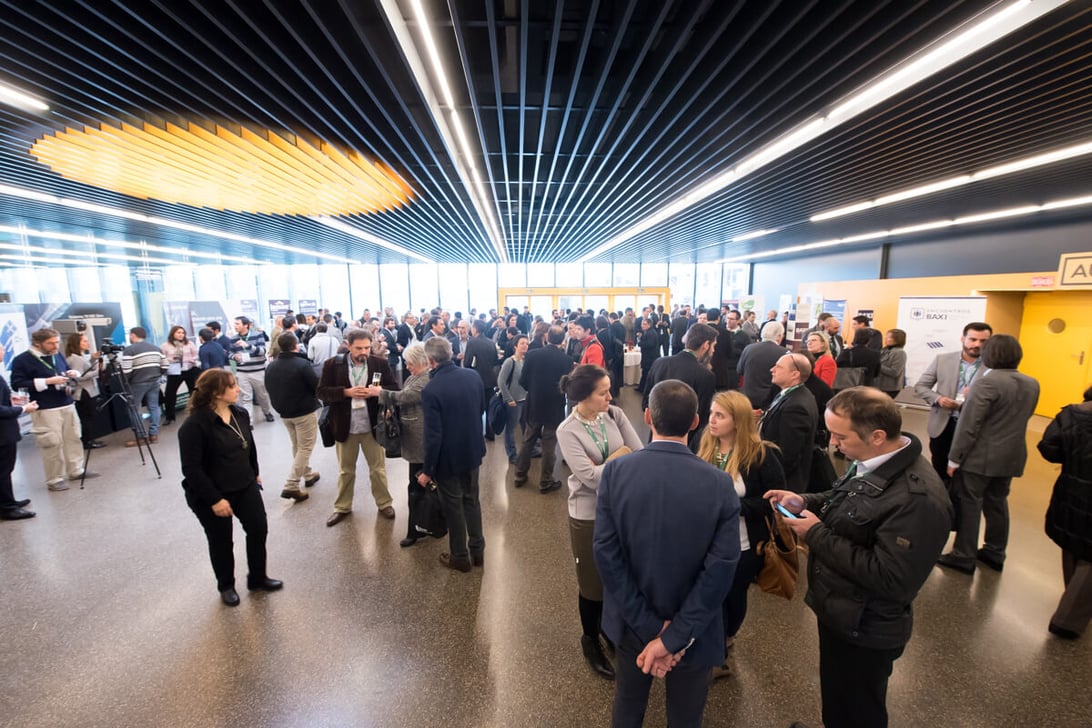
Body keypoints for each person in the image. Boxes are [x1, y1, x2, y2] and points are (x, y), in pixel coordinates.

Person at [765, 387, 951, 728]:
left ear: (877, 435)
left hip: (866, 625)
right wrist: (804, 501)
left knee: (859, 708)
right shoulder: (871, 461)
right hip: (842, 609)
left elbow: (892, 578)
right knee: (838, 697)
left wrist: (816, 533)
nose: (834, 444)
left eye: (840, 436)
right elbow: (843, 498)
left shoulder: (917, 500)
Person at [593, 379, 740, 727]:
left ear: (647, 416)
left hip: (632, 623)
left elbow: (606, 554)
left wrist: (651, 628)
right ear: (695, 422)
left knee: (628, 706)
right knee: (686, 715)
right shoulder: (720, 483)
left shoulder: (616, 472)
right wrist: (673, 637)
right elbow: (721, 569)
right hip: (695, 628)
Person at [556, 365, 643, 680]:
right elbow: (590, 480)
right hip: (588, 514)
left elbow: (640, 453)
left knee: (618, 575)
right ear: (583, 396)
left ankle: (610, 629)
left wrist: (608, 463)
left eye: (609, 389)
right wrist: (619, 456)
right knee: (592, 583)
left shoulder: (614, 416)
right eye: (603, 392)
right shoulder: (567, 430)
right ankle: (590, 638)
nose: (610, 396)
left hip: (621, 510)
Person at [698, 390, 785, 679]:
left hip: (743, 545)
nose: (711, 420)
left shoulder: (761, 455)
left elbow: (773, 501)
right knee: (711, 596)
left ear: (738, 421)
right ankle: (714, 646)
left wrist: (732, 505)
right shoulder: (706, 446)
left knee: (733, 597)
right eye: (711, 413)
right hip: (706, 542)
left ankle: (724, 642)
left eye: (719, 415)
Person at [179, 368, 282, 607]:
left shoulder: (239, 413)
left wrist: (255, 473)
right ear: (216, 393)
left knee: (258, 528)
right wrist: (215, 499)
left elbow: (248, 446)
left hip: (244, 483)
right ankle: (226, 585)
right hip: (210, 493)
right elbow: (192, 469)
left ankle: (258, 578)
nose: (238, 389)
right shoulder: (195, 426)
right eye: (233, 385)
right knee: (221, 540)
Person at [937, 335, 1040, 575]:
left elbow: (969, 425)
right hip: (1011, 454)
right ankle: (995, 551)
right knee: (998, 502)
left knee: (970, 503)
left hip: (980, 457)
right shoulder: (1031, 382)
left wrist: (955, 458)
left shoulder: (986, 383)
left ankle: (963, 554)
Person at [417, 337, 487, 572]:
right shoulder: (472, 376)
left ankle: (459, 556)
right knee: (472, 500)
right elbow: (481, 409)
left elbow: (433, 436)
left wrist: (427, 471)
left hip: (448, 459)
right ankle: (478, 550)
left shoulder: (431, 390)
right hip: (472, 450)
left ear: (430, 361)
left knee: (453, 506)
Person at [317, 329, 399, 527]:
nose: (363, 352)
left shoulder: (378, 363)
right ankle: (342, 507)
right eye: (358, 348)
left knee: (377, 469)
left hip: (372, 425)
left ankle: (384, 503)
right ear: (348, 345)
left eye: (367, 348)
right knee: (346, 471)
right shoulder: (332, 365)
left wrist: (377, 393)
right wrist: (345, 392)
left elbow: (394, 388)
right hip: (345, 427)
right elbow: (321, 392)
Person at [11, 328, 97, 491]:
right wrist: (48, 381)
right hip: (45, 407)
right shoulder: (22, 360)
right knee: (52, 442)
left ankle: (76, 469)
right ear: (37, 343)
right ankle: (55, 478)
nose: (55, 346)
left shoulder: (57, 355)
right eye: (51, 343)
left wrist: (70, 373)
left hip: (66, 402)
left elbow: (61, 371)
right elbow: (17, 383)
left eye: (57, 342)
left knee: (73, 437)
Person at [1038, 384, 1092, 639]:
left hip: (1071, 491)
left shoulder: (1072, 413)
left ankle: (1074, 598)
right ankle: (1068, 619)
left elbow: (1049, 448)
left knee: (1073, 545)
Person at [368, 343, 431, 547]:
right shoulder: (415, 376)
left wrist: (380, 393)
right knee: (416, 484)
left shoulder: (426, 379)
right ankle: (420, 525)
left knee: (418, 485)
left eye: (409, 363)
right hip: (414, 438)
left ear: (420, 361)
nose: (407, 366)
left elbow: (406, 396)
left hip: (420, 440)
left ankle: (417, 528)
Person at [913, 322, 992, 483]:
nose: (977, 345)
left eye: (983, 341)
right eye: (973, 339)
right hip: (943, 424)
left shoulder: (993, 366)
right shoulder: (943, 360)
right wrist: (938, 399)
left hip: (975, 428)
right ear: (963, 338)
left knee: (966, 476)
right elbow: (921, 387)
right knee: (940, 471)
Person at [641, 322, 717, 452]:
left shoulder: (660, 363)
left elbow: (645, 403)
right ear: (705, 345)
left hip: (655, 440)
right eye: (713, 346)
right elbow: (703, 419)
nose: (713, 350)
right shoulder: (706, 376)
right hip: (686, 446)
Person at [515, 325, 573, 493]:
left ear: (547, 337)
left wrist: (533, 391)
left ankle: (519, 474)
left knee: (528, 440)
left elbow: (523, 380)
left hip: (534, 404)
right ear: (563, 340)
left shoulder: (532, 355)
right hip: (554, 407)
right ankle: (546, 481)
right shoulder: (566, 360)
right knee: (549, 444)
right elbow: (566, 386)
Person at [264, 333, 321, 503]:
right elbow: (315, 386)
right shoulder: (302, 364)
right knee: (305, 447)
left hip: (285, 413)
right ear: (296, 345)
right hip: (304, 411)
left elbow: (268, 388)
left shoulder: (271, 366)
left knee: (297, 444)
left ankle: (308, 474)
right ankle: (291, 484)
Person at [759, 353, 817, 493]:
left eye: (778, 367)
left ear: (794, 374)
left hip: (784, 484)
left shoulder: (796, 406)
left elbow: (787, 454)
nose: (772, 369)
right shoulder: (789, 394)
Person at [0, 345, 39, 520]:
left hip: (6, 430)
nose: (4, 352)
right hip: (2, 433)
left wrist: (11, 400)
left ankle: (9, 501)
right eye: (1, 349)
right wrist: (23, 408)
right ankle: (7, 507)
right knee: (3, 470)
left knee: (6, 469)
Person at [121, 326, 168, 446]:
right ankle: (153, 434)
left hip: (137, 383)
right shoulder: (156, 348)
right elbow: (165, 365)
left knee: (133, 408)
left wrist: (127, 382)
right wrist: (158, 374)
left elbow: (126, 371)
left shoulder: (129, 350)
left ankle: (141, 436)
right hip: (155, 381)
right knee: (154, 406)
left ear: (132, 335)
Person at [229, 316, 275, 423]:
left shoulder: (258, 335)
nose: (235, 326)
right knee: (246, 397)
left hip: (257, 371)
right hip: (242, 371)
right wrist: (234, 357)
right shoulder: (233, 339)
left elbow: (262, 351)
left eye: (237, 324)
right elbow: (230, 353)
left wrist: (248, 346)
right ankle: (248, 420)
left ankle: (267, 412)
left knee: (262, 395)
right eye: (234, 324)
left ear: (246, 325)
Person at [63, 332, 105, 450]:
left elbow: (85, 369)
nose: (88, 343)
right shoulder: (75, 359)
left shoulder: (80, 357)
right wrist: (98, 371)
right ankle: (87, 441)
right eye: (84, 341)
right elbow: (79, 376)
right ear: (77, 343)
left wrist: (92, 359)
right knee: (87, 418)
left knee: (89, 417)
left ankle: (89, 439)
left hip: (88, 390)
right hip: (83, 391)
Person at [464, 319, 499, 441]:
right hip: (490, 380)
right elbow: (495, 360)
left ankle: (477, 434)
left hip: (477, 379)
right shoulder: (490, 342)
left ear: (475, 329)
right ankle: (490, 433)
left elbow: (467, 362)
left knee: (477, 409)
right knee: (490, 408)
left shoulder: (472, 343)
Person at [737, 322, 786, 410]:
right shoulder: (784, 353)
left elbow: (740, 370)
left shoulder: (748, 348)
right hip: (771, 400)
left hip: (748, 397)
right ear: (779, 336)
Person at [497, 334, 529, 463]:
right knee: (510, 429)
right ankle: (512, 454)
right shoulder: (510, 361)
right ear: (515, 346)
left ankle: (528, 450)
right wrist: (508, 399)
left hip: (524, 399)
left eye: (526, 343)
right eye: (522, 343)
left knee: (526, 426)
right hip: (513, 402)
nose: (525, 345)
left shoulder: (525, 361)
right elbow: (501, 381)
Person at [160, 325, 200, 425]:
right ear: (173, 333)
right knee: (170, 393)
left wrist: (193, 359)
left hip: (189, 369)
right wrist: (169, 360)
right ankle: (170, 416)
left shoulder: (189, 343)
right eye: (178, 332)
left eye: (182, 333)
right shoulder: (165, 345)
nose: (181, 335)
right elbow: (162, 358)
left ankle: (196, 413)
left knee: (194, 392)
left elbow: (195, 355)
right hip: (174, 371)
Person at [875, 328, 907, 399]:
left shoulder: (900, 353)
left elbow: (894, 372)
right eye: (886, 336)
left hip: (890, 388)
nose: (885, 338)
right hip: (879, 385)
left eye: (889, 337)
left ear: (897, 339)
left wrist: (877, 365)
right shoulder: (884, 349)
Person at [636, 318, 659, 392]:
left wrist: (639, 342)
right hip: (647, 356)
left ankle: (645, 389)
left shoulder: (651, 333)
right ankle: (641, 388)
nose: (642, 326)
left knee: (647, 373)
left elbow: (650, 344)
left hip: (650, 357)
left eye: (644, 324)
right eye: (642, 324)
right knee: (645, 372)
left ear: (649, 325)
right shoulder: (647, 332)